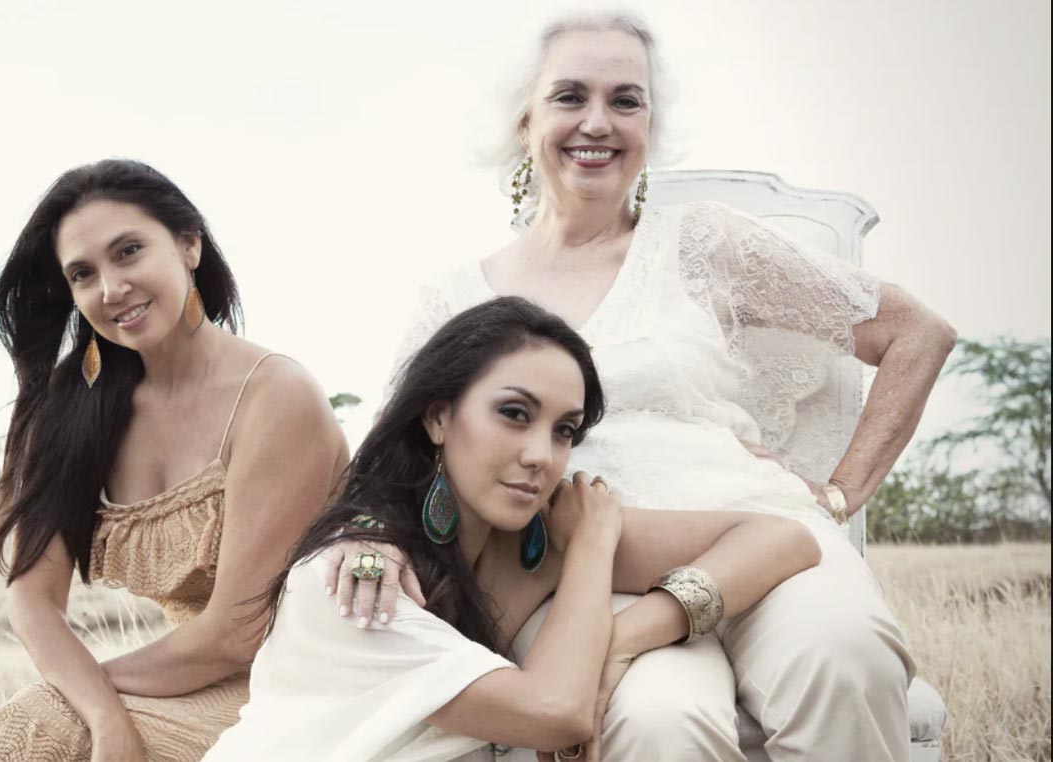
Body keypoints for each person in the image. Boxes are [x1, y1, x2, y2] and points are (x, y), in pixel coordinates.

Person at [329, 12, 956, 761]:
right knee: (659, 723)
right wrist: (369, 538)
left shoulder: (703, 244)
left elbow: (917, 333)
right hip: (580, 577)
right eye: (570, 96)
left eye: (626, 101)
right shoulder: (457, 299)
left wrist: (838, 493)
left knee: (845, 654)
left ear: (650, 124)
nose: (598, 122)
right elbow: (389, 455)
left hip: (757, 535)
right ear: (526, 119)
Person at [203, 296, 821, 762]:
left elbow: (782, 538)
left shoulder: (527, 542)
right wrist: (591, 548)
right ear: (439, 416)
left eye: (564, 431)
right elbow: (557, 712)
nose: (542, 456)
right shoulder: (356, 579)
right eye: (513, 414)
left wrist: (627, 635)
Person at [0, 159, 348, 761]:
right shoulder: (73, 410)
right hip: (182, 686)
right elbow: (33, 601)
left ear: (189, 245)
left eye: (129, 251)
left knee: (43, 723)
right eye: (84, 274)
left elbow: (235, 636)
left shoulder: (274, 396)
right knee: (49, 725)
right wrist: (104, 716)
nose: (110, 289)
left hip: (305, 688)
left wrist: (82, 694)